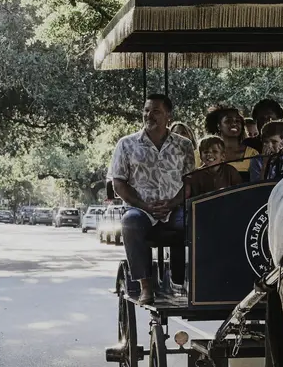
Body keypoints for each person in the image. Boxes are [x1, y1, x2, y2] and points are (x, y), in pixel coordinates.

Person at [109, 94, 195, 305]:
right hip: (140, 209)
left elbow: (190, 182)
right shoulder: (126, 144)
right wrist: (144, 205)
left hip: (174, 208)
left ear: (168, 116)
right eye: (146, 110)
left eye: (156, 111)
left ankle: (186, 280)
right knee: (130, 222)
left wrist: (172, 204)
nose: (149, 115)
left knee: (194, 221)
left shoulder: (184, 145)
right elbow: (118, 183)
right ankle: (145, 286)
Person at [204, 105, 260, 176]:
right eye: (228, 121)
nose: (234, 124)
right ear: (219, 125)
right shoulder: (204, 153)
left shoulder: (252, 153)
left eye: (237, 121)